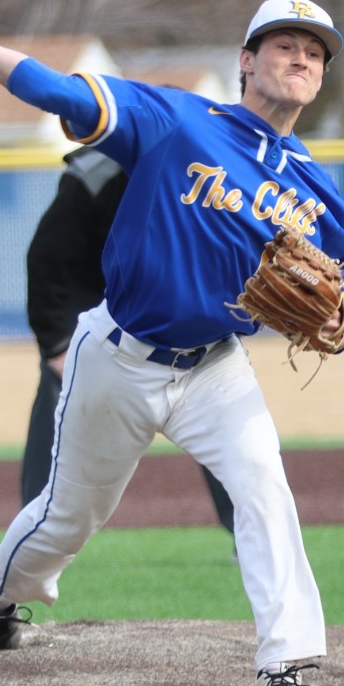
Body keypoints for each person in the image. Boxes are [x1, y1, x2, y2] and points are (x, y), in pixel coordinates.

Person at [0, 0, 344, 686]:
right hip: (119, 357)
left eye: (314, 52)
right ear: (246, 60)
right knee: (67, 521)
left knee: (264, 484)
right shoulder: (177, 120)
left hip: (215, 369)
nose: (300, 58)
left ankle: (283, 673)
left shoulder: (314, 189)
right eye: (284, 44)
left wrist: (336, 323)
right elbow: (57, 90)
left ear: (320, 78)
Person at [23, 146, 237, 534]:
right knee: (56, 391)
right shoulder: (95, 173)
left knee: (218, 400)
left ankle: (244, 528)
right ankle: (33, 528)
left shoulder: (212, 172)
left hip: (168, 302)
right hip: (92, 300)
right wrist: (55, 344)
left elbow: (227, 253)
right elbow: (46, 259)